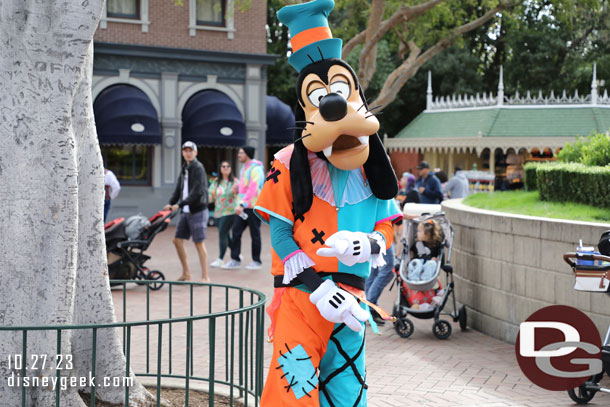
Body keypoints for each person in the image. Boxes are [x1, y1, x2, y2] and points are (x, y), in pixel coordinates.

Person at [164, 141, 210, 282]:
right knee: (177, 241)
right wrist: (171, 203)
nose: (188, 153)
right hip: (185, 210)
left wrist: (179, 204)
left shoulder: (198, 168)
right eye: (186, 151)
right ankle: (186, 274)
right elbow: (178, 189)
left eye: (191, 151)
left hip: (197, 210)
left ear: (195, 153)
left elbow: (197, 190)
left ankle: (205, 276)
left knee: (198, 242)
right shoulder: (185, 168)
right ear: (183, 153)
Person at [222, 146, 264, 270]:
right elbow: (245, 187)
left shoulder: (256, 169)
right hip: (242, 207)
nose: (239, 155)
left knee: (255, 234)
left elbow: (254, 189)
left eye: (241, 153)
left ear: (247, 154)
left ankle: (256, 261)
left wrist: (242, 204)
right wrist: (238, 188)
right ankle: (235, 260)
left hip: (252, 208)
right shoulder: (244, 168)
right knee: (236, 232)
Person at [406, 219, 444, 310]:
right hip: (416, 268)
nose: (417, 233)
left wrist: (435, 259)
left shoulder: (436, 245)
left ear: (427, 234)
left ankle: (425, 280)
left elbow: (439, 259)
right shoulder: (417, 244)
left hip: (428, 272)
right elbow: (411, 254)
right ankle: (414, 279)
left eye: (419, 231)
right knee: (416, 263)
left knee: (431, 263)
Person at [209, 161, 238, 268]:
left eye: (228, 166)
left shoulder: (235, 182)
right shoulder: (216, 182)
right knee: (226, 235)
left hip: (230, 212)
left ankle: (220, 258)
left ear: (231, 168)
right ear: (220, 169)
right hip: (218, 213)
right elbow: (210, 196)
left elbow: (240, 195)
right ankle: (236, 253)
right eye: (223, 166)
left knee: (222, 234)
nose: (225, 168)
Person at [365, 244, 396, 325]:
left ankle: (370, 307)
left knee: (374, 270)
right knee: (387, 271)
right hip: (381, 236)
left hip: (372, 235)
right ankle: (371, 307)